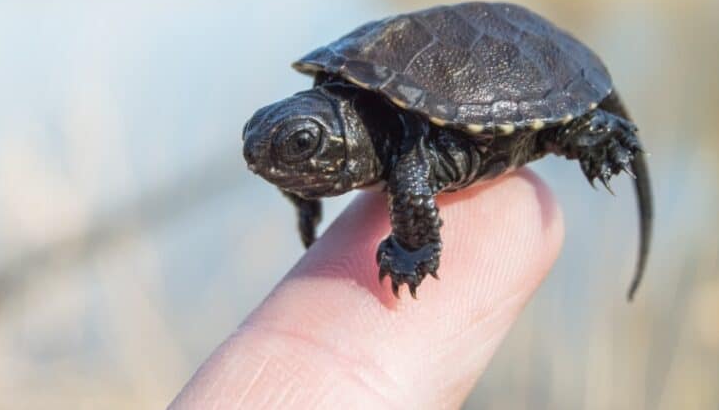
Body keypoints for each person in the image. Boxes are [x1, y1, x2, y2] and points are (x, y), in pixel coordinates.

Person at [171, 170, 564, 408]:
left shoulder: (406, 161)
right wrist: (304, 190)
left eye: (303, 146)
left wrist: (414, 244)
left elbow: (413, 174)